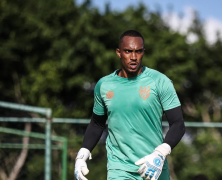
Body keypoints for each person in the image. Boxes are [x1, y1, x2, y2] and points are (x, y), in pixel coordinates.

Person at [74, 30, 185, 180]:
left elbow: (178, 123)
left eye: (138, 52)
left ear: (143, 52)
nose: (133, 57)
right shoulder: (104, 85)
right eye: (128, 51)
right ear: (119, 53)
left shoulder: (160, 81)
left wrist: (161, 153)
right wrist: (83, 153)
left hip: (154, 166)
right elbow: (97, 123)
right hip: (119, 168)